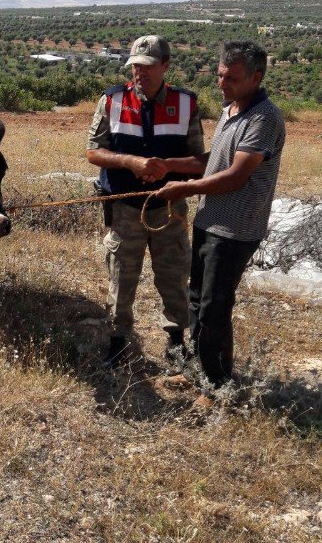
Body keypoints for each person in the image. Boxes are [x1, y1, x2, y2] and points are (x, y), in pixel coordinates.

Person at [155, 41, 285, 387]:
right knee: (197, 300)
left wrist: (184, 189)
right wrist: (168, 166)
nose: (222, 85)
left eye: (232, 78)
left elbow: (236, 175)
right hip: (208, 221)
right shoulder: (232, 109)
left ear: (257, 77)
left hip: (235, 229)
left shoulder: (265, 117)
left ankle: (216, 386)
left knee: (214, 309)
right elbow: (213, 162)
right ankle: (199, 372)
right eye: (219, 76)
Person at [87, 35, 206, 367]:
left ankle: (175, 340)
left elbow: (200, 160)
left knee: (173, 275)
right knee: (121, 277)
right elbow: (92, 152)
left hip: (170, 208)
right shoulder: (111, 101)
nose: (140, 73)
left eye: (148, 66)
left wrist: (167, 169)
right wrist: (131, 163)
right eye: (135, 66)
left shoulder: (186, 103)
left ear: (166, 66)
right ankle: (118, 341)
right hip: (125, 209)